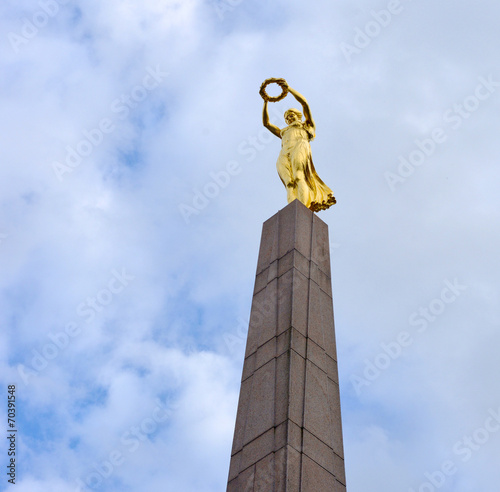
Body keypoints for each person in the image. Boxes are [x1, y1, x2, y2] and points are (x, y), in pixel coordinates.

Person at [262, 84, 336, 211]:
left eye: (291, 115)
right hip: (284, 153)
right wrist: (265, 102)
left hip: (300, 146)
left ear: (298, 115)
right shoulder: (283, 131)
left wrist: (288, 88)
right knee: (289, 183)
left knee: (298, 176)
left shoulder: (307, 125)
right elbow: (266, 123)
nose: (289, 118)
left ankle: (302, 209)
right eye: (286, 118)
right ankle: (292, 211)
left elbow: (305, 103)